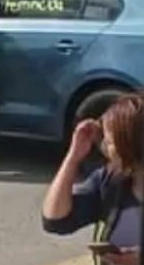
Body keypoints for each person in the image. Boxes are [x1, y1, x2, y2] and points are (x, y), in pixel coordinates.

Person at [43, 94, 144, 265]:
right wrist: (73, 157)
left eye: (110, 141)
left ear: (131, 145)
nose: (103, 146)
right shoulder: (110, 182)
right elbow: (56, 221)